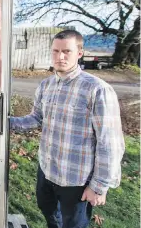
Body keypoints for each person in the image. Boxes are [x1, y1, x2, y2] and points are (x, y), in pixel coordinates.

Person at [11, 30, 125, 228]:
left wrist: (98, 187)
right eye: (55, 51)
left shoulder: (97, 89)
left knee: (73, 224)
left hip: (76, 179)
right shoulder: (46, 85)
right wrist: (7, 121)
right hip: (47, 170)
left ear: (79, 53)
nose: (60, 57)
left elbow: (109, 143)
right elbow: (36, 118)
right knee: (47, 211)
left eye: (66, 51)